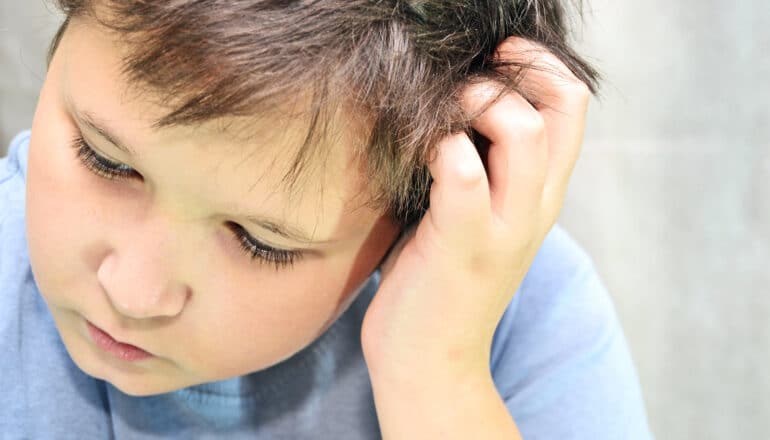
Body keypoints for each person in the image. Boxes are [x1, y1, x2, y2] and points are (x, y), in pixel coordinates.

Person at [0, 0, 653, 438]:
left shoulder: (528, 316)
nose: (132, 292)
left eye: (260, 240)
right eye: (106, 160)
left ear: (419, 214)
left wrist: (435, 369)